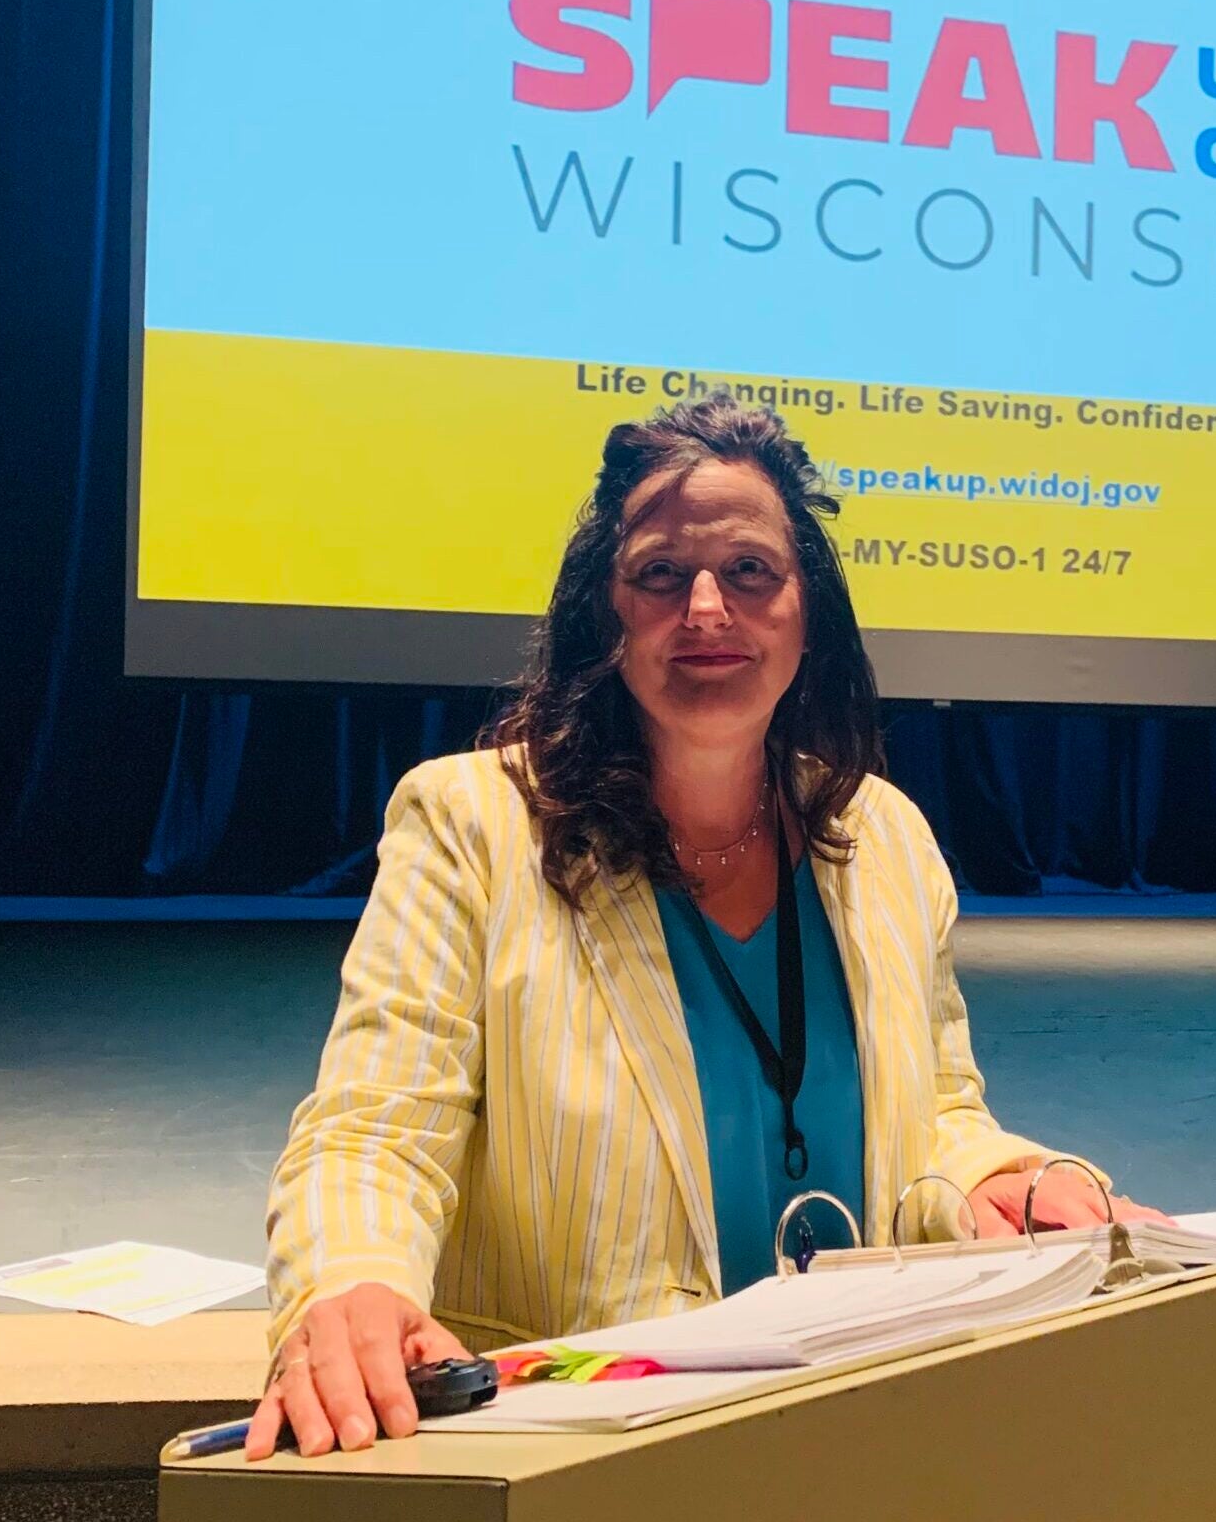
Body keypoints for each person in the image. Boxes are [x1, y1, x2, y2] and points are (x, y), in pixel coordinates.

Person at [246, 394, 1161, 1459]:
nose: (709, 609)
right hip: (579, 1456)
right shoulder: (472, 825)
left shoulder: (887, 837)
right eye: (662, 575)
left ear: (806, 613)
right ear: (607, 612)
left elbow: (940, 1113)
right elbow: (375, 1125)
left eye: (752, 572)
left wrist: (1005, 1179)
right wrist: (352, 1281)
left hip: (855, 1431)